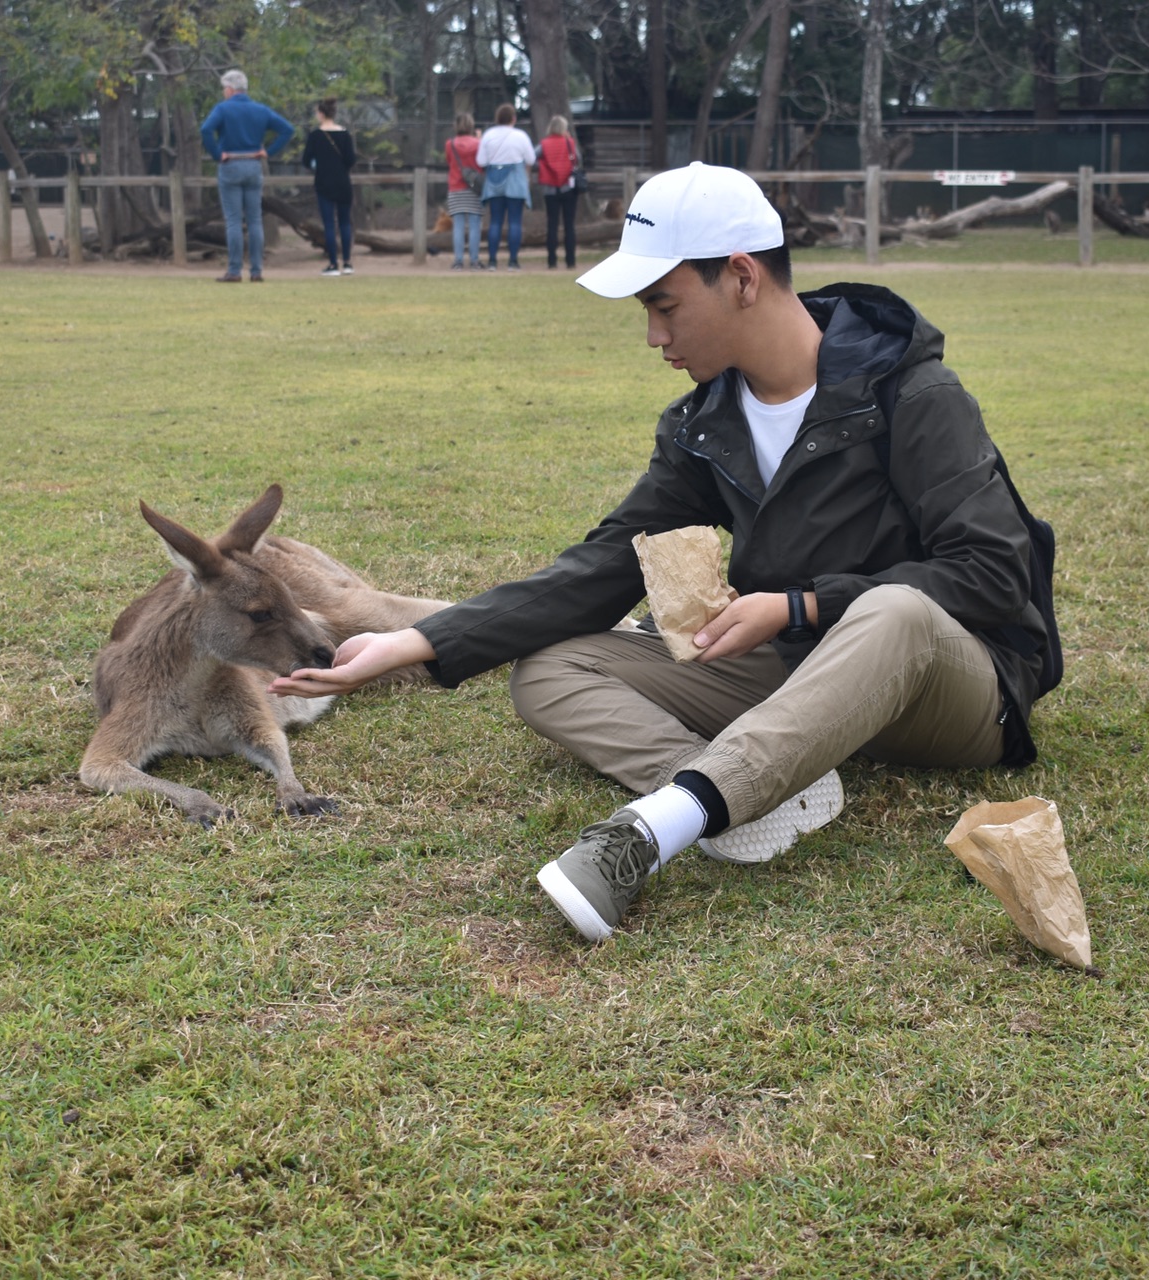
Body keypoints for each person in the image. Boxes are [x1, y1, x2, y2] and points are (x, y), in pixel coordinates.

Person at [270, 163, 1058, 943]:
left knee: (895, 611)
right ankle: (769, 790)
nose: (654, 335)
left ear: (742, 278)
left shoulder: (910, 394)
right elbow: (609, 562)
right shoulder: (705, 423)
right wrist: (415, 642)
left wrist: (800, 604)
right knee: (551, 668)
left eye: (664, 305)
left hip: (950, 684)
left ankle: (656, 828)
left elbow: (993, 573)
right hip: (799, 675)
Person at [199, 68, 294, 283]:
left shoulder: (223, 109)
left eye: (225, 88)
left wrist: (216, 154)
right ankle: (256, 270)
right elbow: (287, 129)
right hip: (253, 164)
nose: (224, 92)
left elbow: (206, 130)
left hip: (231, 163)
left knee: (233, 220)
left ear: (231, 89)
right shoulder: (260, 109)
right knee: (254, 220)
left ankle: (234, 270)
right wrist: (268, 151)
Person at [474, 103, 535, 271]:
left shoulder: (488, 135)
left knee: (495, 222)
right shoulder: (520, 136)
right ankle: (513, 261)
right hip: (515, 179)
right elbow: (530, 158)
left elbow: (481, 161)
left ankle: (492, 261)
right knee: (515, 222)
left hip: (494, 181)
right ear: (513, 119)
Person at [301, 99, 356, 276]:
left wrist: (318, 164)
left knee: (329, 224)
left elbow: (306, 160)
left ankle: (333, 264)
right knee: (345, 223)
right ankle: (347, 263)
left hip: (324, 182)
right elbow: (351, 160)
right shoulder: (345, 134)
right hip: (343, 182)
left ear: (322, 114)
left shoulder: (316, 136)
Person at [536, 115, 584, 270]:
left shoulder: (544, 144)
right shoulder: (569, 143)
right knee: (569, 225)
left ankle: (552, 261)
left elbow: (532, 157)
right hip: (568, 188)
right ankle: (571, 260)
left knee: (552, 225)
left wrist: (542, 164)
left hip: (550, 189)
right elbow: (578, 158)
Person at [443, 113, 484, 271]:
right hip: (474, 189)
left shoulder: (450, 144)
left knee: (458, 226)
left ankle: (458, 261)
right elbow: (482, 161)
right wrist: (479, 139)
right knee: (475, 226)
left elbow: (448, 161)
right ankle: (474, 261)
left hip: (455, 188)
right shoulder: (478, 143)